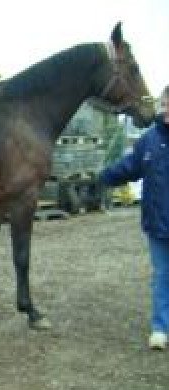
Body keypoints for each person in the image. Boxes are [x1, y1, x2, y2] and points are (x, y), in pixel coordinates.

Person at [99, 85, 169, 350]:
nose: (167, 110)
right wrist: (103, 177)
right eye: (166, 104)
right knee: (162, 275)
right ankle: (160, 329)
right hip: (158, 223)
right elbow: (129, 168)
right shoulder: (149, 142)